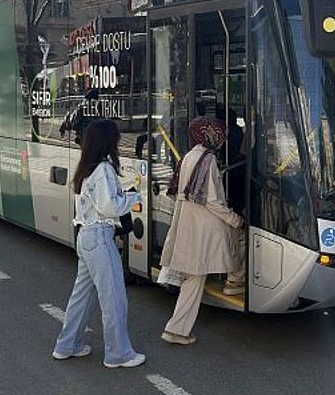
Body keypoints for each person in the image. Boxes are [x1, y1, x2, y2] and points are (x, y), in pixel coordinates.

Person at [52, 119, 145, 369]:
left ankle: (67, 345)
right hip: (100, 238)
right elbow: (110, 206)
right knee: (113, 297)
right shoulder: (103, 168)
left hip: (86, 237)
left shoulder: (86, 167)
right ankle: (119, 354)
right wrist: (134, 196)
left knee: (82, 296)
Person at [159, 116, 245, 345]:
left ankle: (177, 329)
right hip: (203, 228)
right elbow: (213, 201)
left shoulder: (190, 155)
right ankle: (176, 330)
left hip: (189, 225)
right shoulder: (208, 160)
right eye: (219, 134)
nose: (223, 139)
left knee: (193, 279)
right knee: (198, 275)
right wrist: (235, 219)